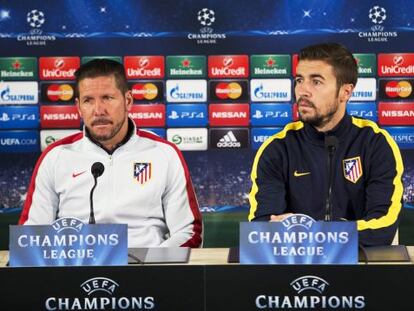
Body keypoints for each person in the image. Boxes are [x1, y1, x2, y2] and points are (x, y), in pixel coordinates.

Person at [19, 59, 202, 248]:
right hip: (73, 270)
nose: (98, 110)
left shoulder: (164, 154)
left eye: (107, 97)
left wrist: (149, 264)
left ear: (128, 101)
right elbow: (31, 234)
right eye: (88, 100)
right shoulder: (55, 156)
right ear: (78, 107)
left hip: (147, 271)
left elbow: (188, 232)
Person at [248, 42, 403, 246]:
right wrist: (335, 233)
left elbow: (383, 225)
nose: (303, 91)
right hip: (294, 272)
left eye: (316, 82)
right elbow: (262, 229)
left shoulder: (375, 143)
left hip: (361, 270)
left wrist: (311, 232)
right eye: (299, 80)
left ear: (345, 92)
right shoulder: (277, 148)